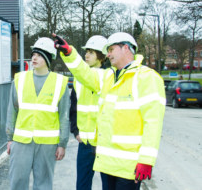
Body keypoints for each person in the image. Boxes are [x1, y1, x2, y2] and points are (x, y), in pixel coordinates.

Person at [53, 32, 165, 190]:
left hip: (129, 167)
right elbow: (84, 73)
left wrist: (146, 160)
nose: (108, 54)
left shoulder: (147, 78)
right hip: (108, 163)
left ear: (126, 48)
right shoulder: (108, 77)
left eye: (111, 49)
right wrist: (69, 53)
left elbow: (153, 122)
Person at [6, 37, 70, 190]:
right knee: (17, 182)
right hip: (21, 141)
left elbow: (64, 116)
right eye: (34, 54)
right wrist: (9, 138)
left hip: (47, 144)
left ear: (48, 58)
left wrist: (63, 143)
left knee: (43, 185)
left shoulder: (60, 83)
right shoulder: (19, 79)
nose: (34, 57)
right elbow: (12, 110)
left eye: (40, 55)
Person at [69, 35, 109, 190]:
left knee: (108, 185)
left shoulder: (110, 77)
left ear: (102, 56)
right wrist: (75, 131)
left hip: (104, 142)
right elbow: (74, 108)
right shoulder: (79, 78)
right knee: (82, 185)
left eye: (91, 52)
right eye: (86, 52)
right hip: (85, 142)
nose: (86, 55)